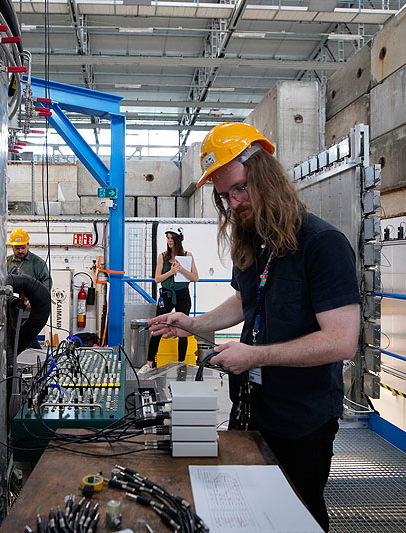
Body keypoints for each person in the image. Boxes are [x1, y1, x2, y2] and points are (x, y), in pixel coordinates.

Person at [148, 122, 360, 531]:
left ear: (267, 175)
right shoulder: (257, 239)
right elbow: (248, 301)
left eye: (242, 188)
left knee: (299, 514)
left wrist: (255, 355)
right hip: (255, 406)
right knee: (259, 510)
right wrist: (193, 324)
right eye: (226, 195)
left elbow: (341, 341)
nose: (236, 201)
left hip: (303, 417)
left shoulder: (322, 244)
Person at [138, 225, 199, 375]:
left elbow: (195, 277)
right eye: (167, 237)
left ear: (178, 239)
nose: (169, 241)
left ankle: (181, 362)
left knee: (183, 329)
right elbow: (157, 278)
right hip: (166, 294)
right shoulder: (162, 256)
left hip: (182, 294)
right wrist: (171, 271)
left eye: (172, 238)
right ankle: (149, 363)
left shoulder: (187, 255)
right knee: (158, 327)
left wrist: (181, 269)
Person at [7, 227, 52, 349]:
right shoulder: (7, 262)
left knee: (27, 339)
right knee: (13, 341)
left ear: (28, 245)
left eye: (23, 248)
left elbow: (47, 281)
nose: (20, 251)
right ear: (12, 247)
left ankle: (41, 363)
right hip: (12, 313)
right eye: (17, 248)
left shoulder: (37, 263)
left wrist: (34, 300)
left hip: (29, 313)